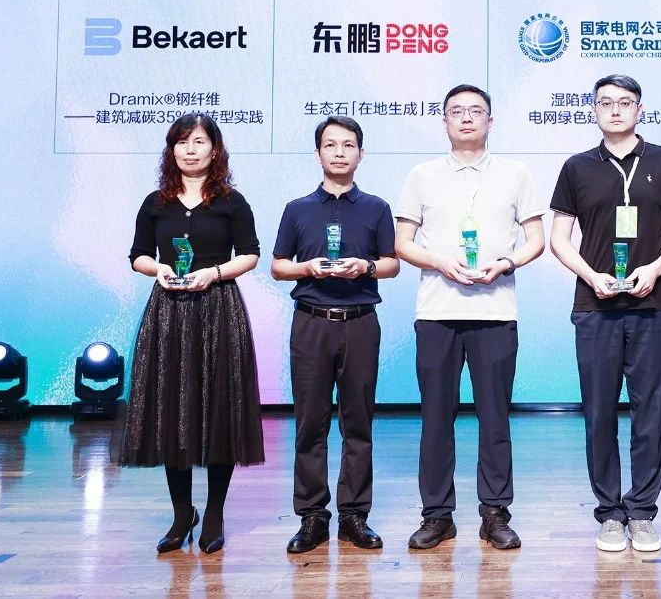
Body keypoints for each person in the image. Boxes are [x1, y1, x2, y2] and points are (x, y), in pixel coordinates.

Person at [394, 85, 545, 550]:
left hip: (495, 312)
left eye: (475, 111)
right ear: (443, 121)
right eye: (456, 111)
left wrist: (507, 263)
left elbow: (536, 240)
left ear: (490, 121)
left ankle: (495, 513)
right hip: (437, 312)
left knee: (495, 419)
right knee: (435, 418)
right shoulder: (422, 175)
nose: (465, 118)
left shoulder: (515, 174)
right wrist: (441, 262)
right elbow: (402, 244)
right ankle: (437, 515)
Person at [549, 74, 661, 553]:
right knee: (598, 411)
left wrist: (655, 267)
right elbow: (558, 238)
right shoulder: (576, 167)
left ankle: (643, 512)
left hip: (652, 302)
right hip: (596, 305)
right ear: (593, 110)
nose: (615, 110)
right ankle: (610, 513)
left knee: (649, 410)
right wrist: (591, 275)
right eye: (606, 102)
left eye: (625, 102)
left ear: (639, 109)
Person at [121, 113, 264, 555]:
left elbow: (251, 255)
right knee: (173, 411)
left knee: (220, 409)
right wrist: (158, 269)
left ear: (214, 149)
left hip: (218, 308)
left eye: (199, 141)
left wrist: (214, 273)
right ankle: (183, 513)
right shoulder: (156, 202)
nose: (190, 149)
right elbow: (138, 255)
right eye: (181, 142)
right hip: (169, 312)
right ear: (172, 149)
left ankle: (214, 512)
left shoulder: (231, 202)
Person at [272, 115, 400, 554]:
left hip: (360, 322)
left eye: (348, 145)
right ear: (318, 153)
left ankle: (354, 516)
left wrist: (365, 266)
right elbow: (278, 266)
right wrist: (306, 268)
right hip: (310, 322)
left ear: (361, 154)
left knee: (357, 423)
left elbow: (391, 264)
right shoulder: (298, 209)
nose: (340, 152)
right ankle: (312, 516)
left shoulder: (377, 208)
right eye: (331, 145)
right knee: (310, 423)